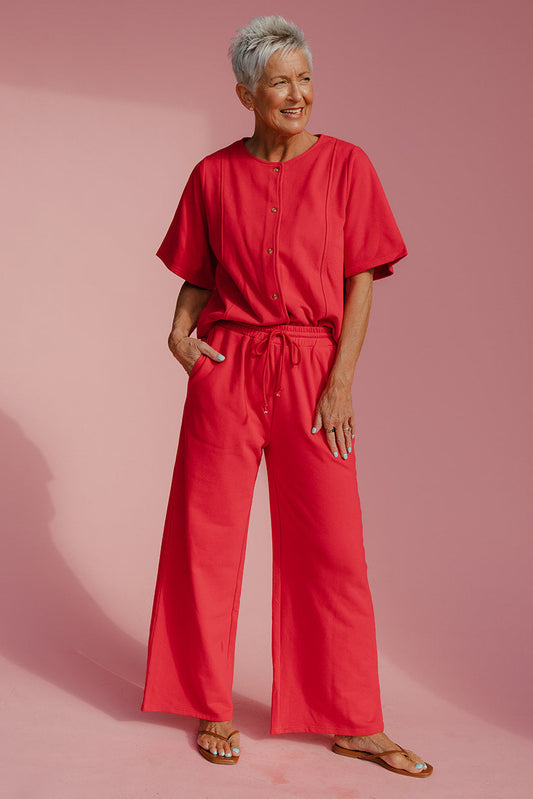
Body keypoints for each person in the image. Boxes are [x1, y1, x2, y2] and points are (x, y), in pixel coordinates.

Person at [141, 14, 433, 778]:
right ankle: (208, 702)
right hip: (227, 368)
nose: (297, 93)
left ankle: (351, 720)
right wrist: (179, 335)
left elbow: (359, 276)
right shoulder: (212, 174)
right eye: (279, 81)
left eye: (305, 78)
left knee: (332, 550)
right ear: (245, 92)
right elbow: (196, 275)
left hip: (311, 370)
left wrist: (340, 380)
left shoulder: (346, 166)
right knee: (204, 541)